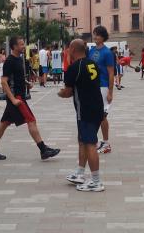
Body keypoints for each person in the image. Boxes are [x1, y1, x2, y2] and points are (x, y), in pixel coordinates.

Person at [0, 36, 60, 161]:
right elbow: (4, 82)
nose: (23, 46)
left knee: (4, 123)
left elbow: (17, 77)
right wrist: (13, 100)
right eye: (20, 44)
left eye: (23, 44)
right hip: (16, 98)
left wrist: (26, 83)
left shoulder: (19, 59)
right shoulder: (9, 61)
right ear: (14, 46)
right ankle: (43, 149)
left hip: (18, 96)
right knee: (31, 120)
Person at [59, 39, 106, 192]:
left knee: (90, 144)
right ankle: (80, 173)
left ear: (72, 49)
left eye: (68, 49)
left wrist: (60, 93)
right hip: (98, 107)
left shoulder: (74, 67)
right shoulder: (92, 63)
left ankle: (96, 181)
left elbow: (67, 92)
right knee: (83, 141)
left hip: (85, 110)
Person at [88, 26, 115, 154]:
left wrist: (110, 92)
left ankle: (106, 143)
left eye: (98, 35)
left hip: (103, 86)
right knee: (94, 115)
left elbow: (111, 73)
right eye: (94, 34)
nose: (95, 37)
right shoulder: (91, 51)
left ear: (103, 37)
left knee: (102, 116)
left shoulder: (107, 52)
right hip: (92, 87)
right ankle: (98, 142)